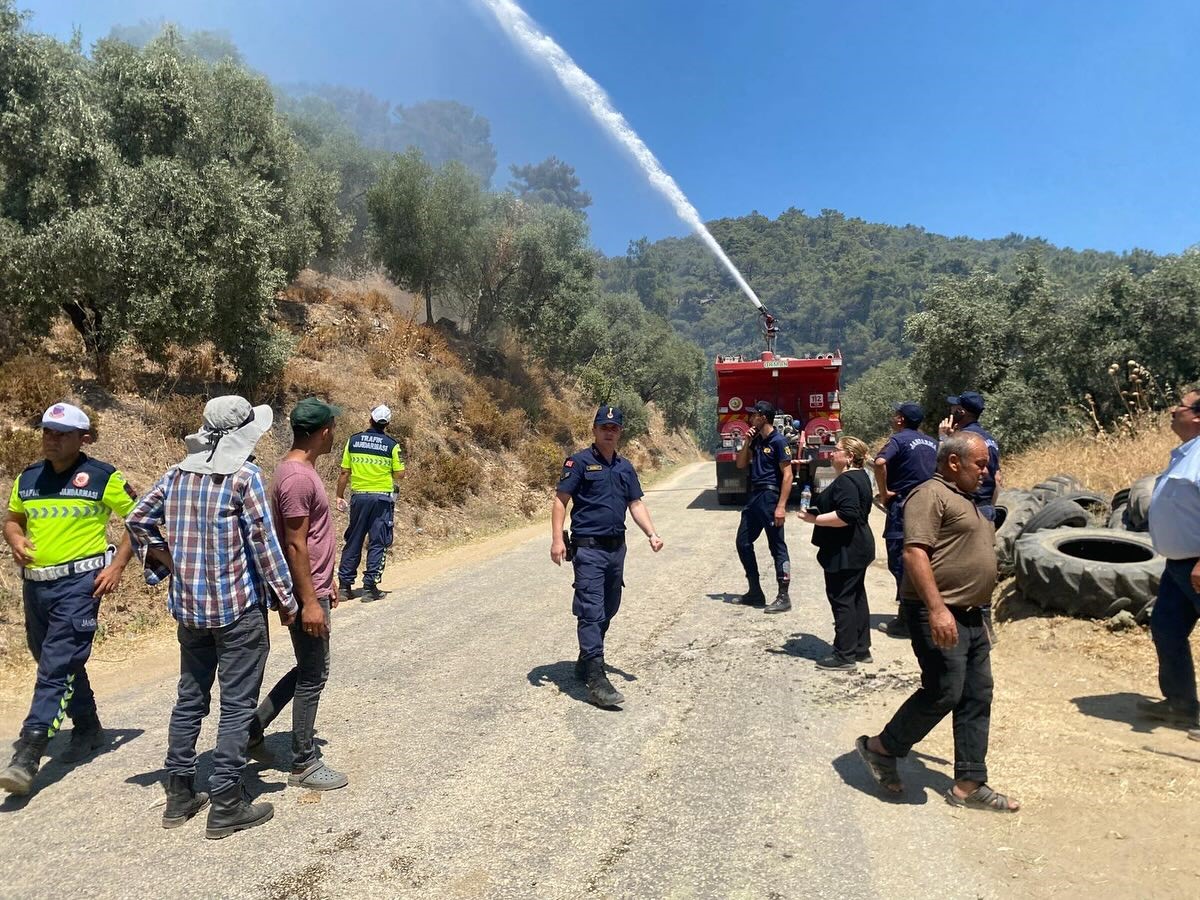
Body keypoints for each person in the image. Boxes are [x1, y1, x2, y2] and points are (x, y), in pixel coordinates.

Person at [127, 396, 298, 838]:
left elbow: (137, 519)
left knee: (190, 699)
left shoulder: (177, 474)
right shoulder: (244, 477)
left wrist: (166, 562)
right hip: (237, 611)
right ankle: (226, 801)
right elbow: (263, 544)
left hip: (190, 611)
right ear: (245, 435)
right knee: (238, 705)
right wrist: (287, 600)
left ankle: (180, 794)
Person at [855, 432, 1020, 812]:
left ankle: (969, 784)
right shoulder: (929, 494)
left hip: (972, 614)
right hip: (940, 610)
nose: (986, 469)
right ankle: (882, 747)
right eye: (979, 463)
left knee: (978, 694)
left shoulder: (968, 499)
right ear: (953, 463)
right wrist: (937, 609)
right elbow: (915, 554)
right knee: (944, 689)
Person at [0, 404, 137, 797]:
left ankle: (28, 752)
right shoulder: (28, 478)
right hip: (36, 587)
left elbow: (138, 520)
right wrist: (14, 538)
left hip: (80, 585)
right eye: (47, 431)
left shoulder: (102, 477)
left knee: (56, 665)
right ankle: (89, 727)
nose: (51, 439)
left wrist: (117, 567)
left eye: (61, 433)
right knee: (52, 659)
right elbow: (13, 519)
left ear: (84, 439)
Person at [246, 398, 349, 790]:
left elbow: (311, 539)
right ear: (324, 432)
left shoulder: (299, 472)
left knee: (308, 668)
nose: (334, 434)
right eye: (333, 429)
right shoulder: (297, 478)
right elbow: (294, 544)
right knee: (314, 674)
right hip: (306, 592)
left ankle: (253, 729)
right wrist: (309, 600)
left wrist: (328, 579)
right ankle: (303, 761)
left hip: (316, 585)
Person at [550, 405, 663, 707]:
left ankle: (586, 659)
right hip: (588, 548)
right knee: (591, 610)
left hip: (616, 549)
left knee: (610, 608)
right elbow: (561, 501)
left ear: (620, 432)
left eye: (614, 427)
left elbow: (635, 504)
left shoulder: (625, 467)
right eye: (604, 427)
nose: (609, 431)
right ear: (595, 430)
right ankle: (596, 678)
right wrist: (556, 539)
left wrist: (651, 533)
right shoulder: (580, 462)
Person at [1140, 385, 1200, 740]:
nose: (1173, 410)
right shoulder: (1186, 453)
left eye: (1181, 405)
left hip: (1196, 565)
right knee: (1167, 630)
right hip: (1178, 567)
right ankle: (1182, 705)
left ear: (1197, 415)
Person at [799, 436, 875, 671]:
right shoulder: (861, 476)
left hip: (845, 549)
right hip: (858, 546)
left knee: (842, 600)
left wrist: (815, 519)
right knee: (856, 597)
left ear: (849, 456)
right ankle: (860, 648)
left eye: (837, 450)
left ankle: (845, 655)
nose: (832, 454)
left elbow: (847, 515)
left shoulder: (847, 481)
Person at [873, 402, 937, 638]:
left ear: (901, 420)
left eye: (895, 415)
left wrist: (885, 491)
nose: (892, 418)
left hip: (903, 507)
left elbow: (880, 463)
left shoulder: (897, 440)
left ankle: (907, 619)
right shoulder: (932, 442)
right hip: (930, 506)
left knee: (900, 560)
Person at [336, 404, 405, 604]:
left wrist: (339, 495)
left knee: (354, 539)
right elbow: (400, 474)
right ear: (387, 424)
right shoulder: (392, 445)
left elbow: (344, 473)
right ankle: (369, 588)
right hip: (382, 498)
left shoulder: (353, 441)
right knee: (378, 540)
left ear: (370, 420)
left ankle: (344, 587)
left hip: (359, 497)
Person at [732, 400, 795, 613]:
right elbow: (741, 464)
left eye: (753, 415)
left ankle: (783, 596)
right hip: (755, 496)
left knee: (776, 545)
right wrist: (746, 442)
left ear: (763, 417)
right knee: (743, 542)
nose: (750, 419)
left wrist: (781, 506)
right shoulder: (756, 441)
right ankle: (755, 591)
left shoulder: (778, 441)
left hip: (770, 495)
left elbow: (787, 475)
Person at [939, 391, 1002, 520]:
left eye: (954, 408)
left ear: (960, 412)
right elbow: (997, 478)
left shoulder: (963, 438)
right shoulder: (990, 439)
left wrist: (943, 438)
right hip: (988, 507)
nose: (951, 410)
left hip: (967, 507)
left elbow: (941, 469)